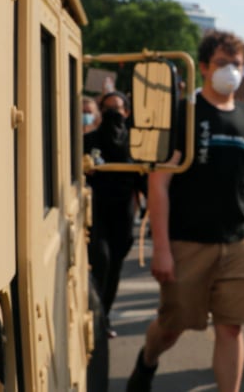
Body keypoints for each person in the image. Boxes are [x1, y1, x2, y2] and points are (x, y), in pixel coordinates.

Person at [126, 30, 244, 392]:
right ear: (203, 67)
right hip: (188, 243)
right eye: (222, 63)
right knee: (173, 325)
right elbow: (159, 184)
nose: (230, 71)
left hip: (240, 243)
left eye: (236, 64)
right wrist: (161, 248)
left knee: (231, 326)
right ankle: (148, 359)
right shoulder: (182, 114)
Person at [84, 92, 141, 339]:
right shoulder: (89, 141)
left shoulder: (136, 144)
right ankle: (94, 316)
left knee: (114, 265)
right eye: (106, 109)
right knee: (101, 260)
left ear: (126, 113)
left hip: (123, 214)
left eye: (117, 109)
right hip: (96, 211)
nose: (112, 115)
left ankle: (103, 315)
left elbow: (145, 178)